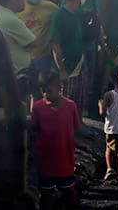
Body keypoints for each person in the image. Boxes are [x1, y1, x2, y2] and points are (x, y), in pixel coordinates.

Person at [31, 70, 82, 210]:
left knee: (69, 193)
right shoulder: (37, 107)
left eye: (48, 90)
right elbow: (34, 129)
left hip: (64, 160)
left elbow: (77, 128)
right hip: (45, 162)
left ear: (59, 87)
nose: (45, 94)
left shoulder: (71, 106)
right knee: (45, 195)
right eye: (43, 91)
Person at [51, 0, 88, 107]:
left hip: (79, 64)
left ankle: (78, 125)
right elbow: (55, 45)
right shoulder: (59, 16)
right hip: (67, 67)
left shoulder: (79, 13)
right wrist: (61, 70)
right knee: (64, 103)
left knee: (78, 102)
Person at [18, 0, 60, 76]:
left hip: (43, 57)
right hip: (22, 58)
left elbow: (61, 21)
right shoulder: (18, 7)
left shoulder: (50, 7)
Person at [0, 0, 35, 74]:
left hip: (8, 70)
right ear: (13, 0)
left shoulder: (1, 13)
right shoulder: (10, 20)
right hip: (17, 73)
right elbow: (33, 43)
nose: (24, 1)